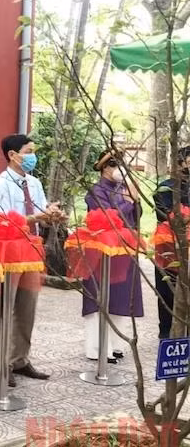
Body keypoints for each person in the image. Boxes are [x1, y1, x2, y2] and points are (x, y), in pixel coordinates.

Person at [0, 134, 64, 387]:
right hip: (7, 253)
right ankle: (2, 363)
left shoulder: (34, 183)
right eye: (28, 151)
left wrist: (52, 214)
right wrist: (35, 217)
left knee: (27, 307)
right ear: (12, 155)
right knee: (4, 308)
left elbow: (41, 214)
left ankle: (20, 359)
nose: (33, 156)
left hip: (31, 251)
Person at [83, 150, 143, 361]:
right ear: (104, 168)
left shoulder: (124, 188)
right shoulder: (96, 191)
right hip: (101, 252)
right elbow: (108, 217)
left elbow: (135, 218)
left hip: (123, 249)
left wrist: (135, 200)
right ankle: (97, 348)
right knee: (99, 297)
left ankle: (116, 344)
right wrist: (128, 201)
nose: (121, 170)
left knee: (120, 295)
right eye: (116, 165)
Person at [153, 146, 190, 338]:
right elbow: (164, 215)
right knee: (167, 291)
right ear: (179, 164)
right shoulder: (164, 188)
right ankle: (167, 335)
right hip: (169, 247)